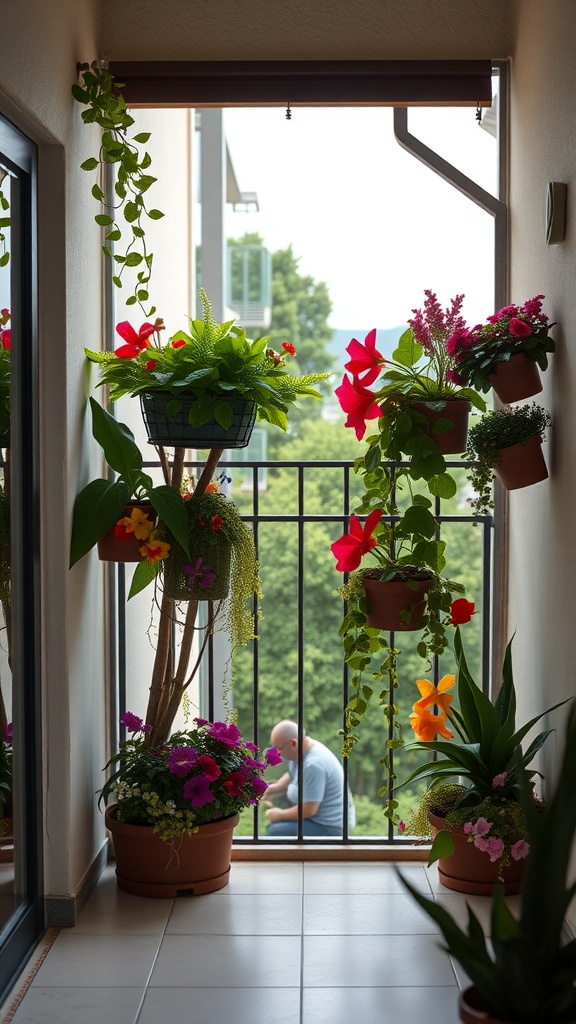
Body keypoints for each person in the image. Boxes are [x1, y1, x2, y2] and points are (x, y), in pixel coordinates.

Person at [264, 720, 355, 837]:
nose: (277, 753)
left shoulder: (314, 765)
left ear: (293, 743)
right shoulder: (301, 750)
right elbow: (290, 776)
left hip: (330, 827)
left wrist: (279, 815)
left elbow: (309, 810)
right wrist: (267, 790)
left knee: (274, 831)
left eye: (278, 749)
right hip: (316, 819)